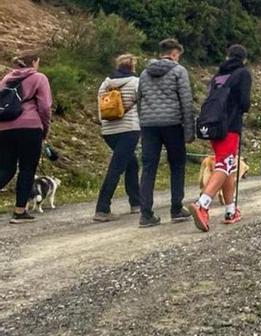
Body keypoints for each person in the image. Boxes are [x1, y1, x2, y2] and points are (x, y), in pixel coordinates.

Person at [189, 44, 252, 232]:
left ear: (227, 56)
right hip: (230, 125)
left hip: (212, 124)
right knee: (224, 165)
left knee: (229, 166)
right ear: (244, 59)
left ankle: (230, 210)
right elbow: (245, 103)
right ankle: (203, 204)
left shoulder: (217, 76)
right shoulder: (243, 73)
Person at [137, 39, 195, 228]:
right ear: (174, 53)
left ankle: (146, 214)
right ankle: (176, 208)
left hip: (149, 125)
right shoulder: (179, 71)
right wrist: (189, 131)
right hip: (172, 123)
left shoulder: (144, 73)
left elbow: (140, 100)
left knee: (148, 167)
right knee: (177, 165)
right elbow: (186, 102)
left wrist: (143, 120)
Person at [0, 53, 52, 224]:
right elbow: (44, 106)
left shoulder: (7, 78)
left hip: (5, 128)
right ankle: (20, 211)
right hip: (30, 127)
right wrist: (44, 129)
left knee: (6, 169)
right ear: (34, 62)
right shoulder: (39, 78)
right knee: (27, 169)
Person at [94, 54, 141, 222]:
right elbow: (142, 105)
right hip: (129, 129)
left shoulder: (104, 84)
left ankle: (136, 202)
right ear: (132, 67)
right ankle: (102, 208)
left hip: (108, 132)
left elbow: (101, 111)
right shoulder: (136, 83)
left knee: (132, 163)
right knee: (116, 167)